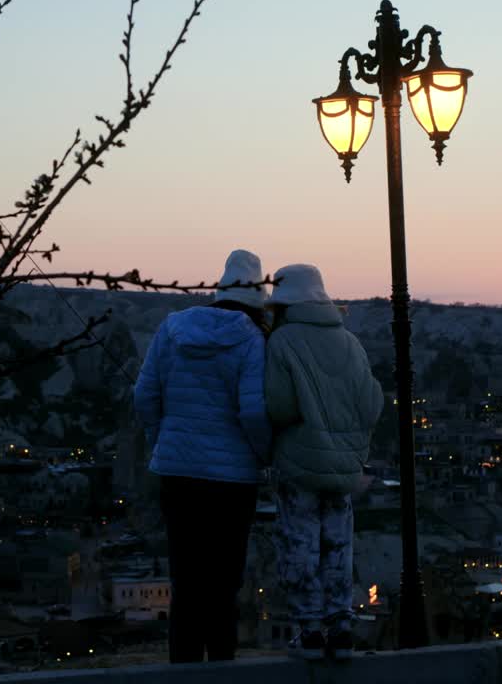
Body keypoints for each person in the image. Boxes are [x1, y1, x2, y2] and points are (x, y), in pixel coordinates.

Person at [133, 249, 272, 663]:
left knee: (186, 583)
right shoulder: (251, 337)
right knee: (224, 585)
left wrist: (164, 440)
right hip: (233, 482)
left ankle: (185, 671)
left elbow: (143, 395)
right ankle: (222, 668)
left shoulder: (172, 327)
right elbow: (252, 411)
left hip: (178, 475)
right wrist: (263, 457)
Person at [263, 263, 383, 660]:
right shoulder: (350, 342)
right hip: (344, 466)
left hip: (299, 463)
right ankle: (341, 626)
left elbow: (279, 408)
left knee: (301, 544)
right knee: (338, 544)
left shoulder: (282, 341)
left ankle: (310, 630)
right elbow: (371, 405)